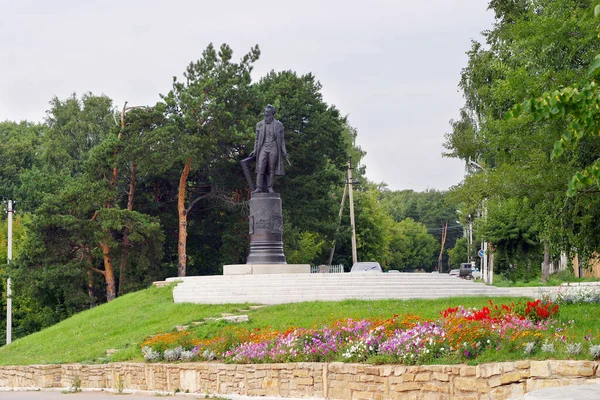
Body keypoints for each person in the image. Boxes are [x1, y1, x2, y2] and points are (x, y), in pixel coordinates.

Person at [249, 104, 287, 193]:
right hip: (263, 147)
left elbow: (282, 140)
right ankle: (259, 187)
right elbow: (257, 139)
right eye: (265, 112)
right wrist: (255, 150)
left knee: (271, 168)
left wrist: (283, 150)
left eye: (268, 113)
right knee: (260, 167)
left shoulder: (279, 124)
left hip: (274, 146)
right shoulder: (259, 124)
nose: (266, 114)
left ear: (272, 113)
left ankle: (270, 187)